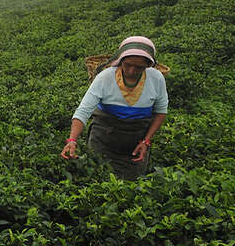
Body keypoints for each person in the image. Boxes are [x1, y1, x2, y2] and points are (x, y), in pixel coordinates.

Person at [61, 36, 168, 180]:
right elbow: (83, 111)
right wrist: (72, 140)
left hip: (136, 141)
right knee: (97, 179)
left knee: (131, 184)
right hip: (104, 138)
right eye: (128, 64)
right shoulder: (105, 78)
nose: (131, 70)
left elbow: (161, 111)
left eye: (139, 67)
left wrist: (146, 141)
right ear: (120, 60)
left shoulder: (156, 79)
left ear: (148, 65)